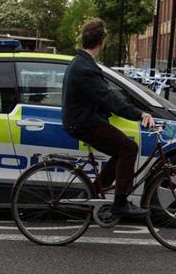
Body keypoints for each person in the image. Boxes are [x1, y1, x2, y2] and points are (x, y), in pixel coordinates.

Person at [62, 18, 155, 218]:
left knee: (120, 151)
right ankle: (120, 203)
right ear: (102, 41)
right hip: (84, 122)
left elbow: (105, 94)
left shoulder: (82, 62)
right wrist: (138, 114)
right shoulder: (85, 68)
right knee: (129, 148)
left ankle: (91, 193)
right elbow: (108, 98)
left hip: (84, 119)